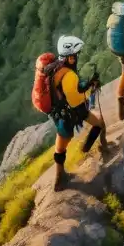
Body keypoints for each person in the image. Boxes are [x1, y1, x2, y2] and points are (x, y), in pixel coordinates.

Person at [50, 36, 107, 191]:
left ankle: (58, 180)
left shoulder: (56, 69)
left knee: (60, 150)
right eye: (74, 55)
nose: (76, 58)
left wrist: (86, 83)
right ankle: (86, 150)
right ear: (69, 57)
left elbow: (71, 88)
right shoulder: (69, 75)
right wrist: (90, 88)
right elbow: (76, 99)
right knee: (99, 125)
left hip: (60, 115)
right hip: (73, 114)